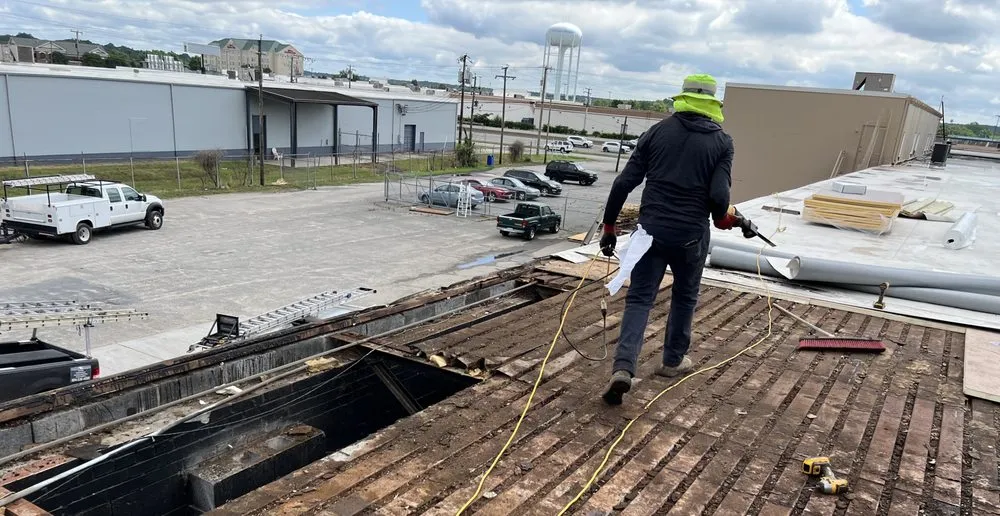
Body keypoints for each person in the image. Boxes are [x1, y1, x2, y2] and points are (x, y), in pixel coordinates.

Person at [599, 74, 741, 406]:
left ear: (683, 98)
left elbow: (623, 184)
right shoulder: (722, 143)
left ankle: (623, 368)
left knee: (639, 300)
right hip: (691, 236)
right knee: (684, 297)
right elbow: (719, 198)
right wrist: (723, 218)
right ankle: (672, 360)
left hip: (650, 234)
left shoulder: (657, 133)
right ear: (711, 104)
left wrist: (608, 228)